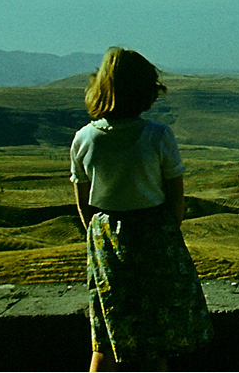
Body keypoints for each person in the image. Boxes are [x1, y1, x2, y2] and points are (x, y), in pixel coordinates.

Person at [70, 47, 213, 371]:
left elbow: (84, 203)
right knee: (157, 338)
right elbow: (176, 198)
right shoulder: (159, 136)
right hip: (155, 237)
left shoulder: (83, 139)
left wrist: (99, 236)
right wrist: (165, 233)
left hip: (106, 240)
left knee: (106, 335)